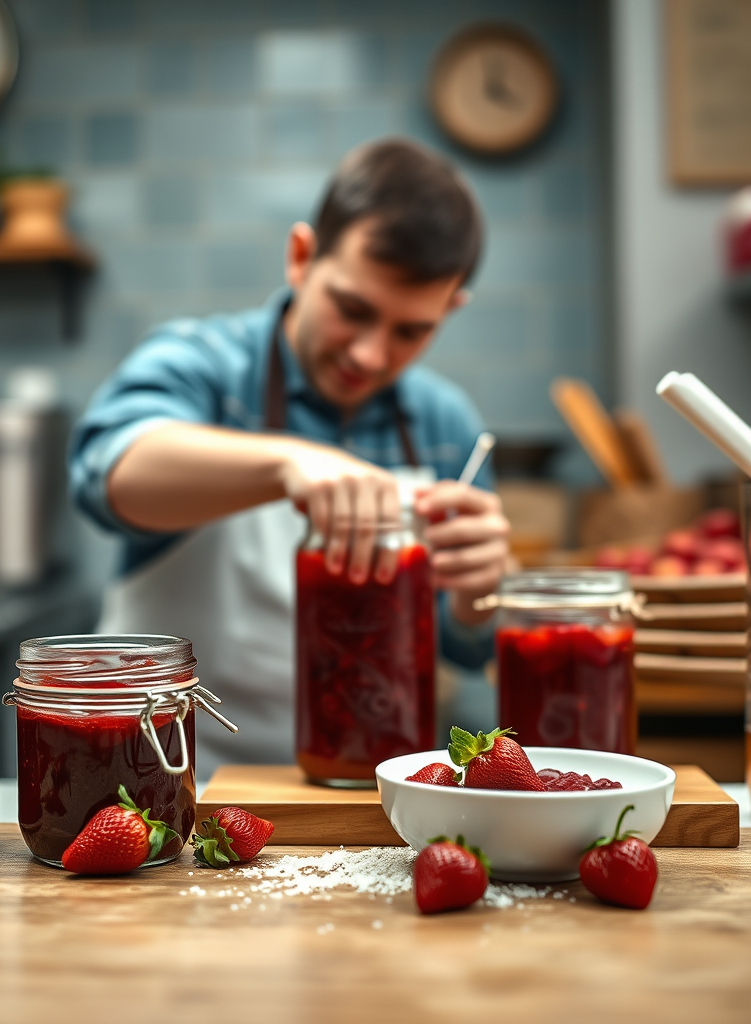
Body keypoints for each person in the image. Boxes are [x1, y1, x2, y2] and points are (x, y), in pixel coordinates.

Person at [71, 138, 510, 773]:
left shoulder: (446, 425)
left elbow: (460, 647)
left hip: (361, 790)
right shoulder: (204, 365)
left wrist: (477, 597)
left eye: (411, 331)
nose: (369, 354)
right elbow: (108, 475)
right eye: (352, 309)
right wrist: (288, 464)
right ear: (301, 257)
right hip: (163, 779)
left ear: (451, 308)